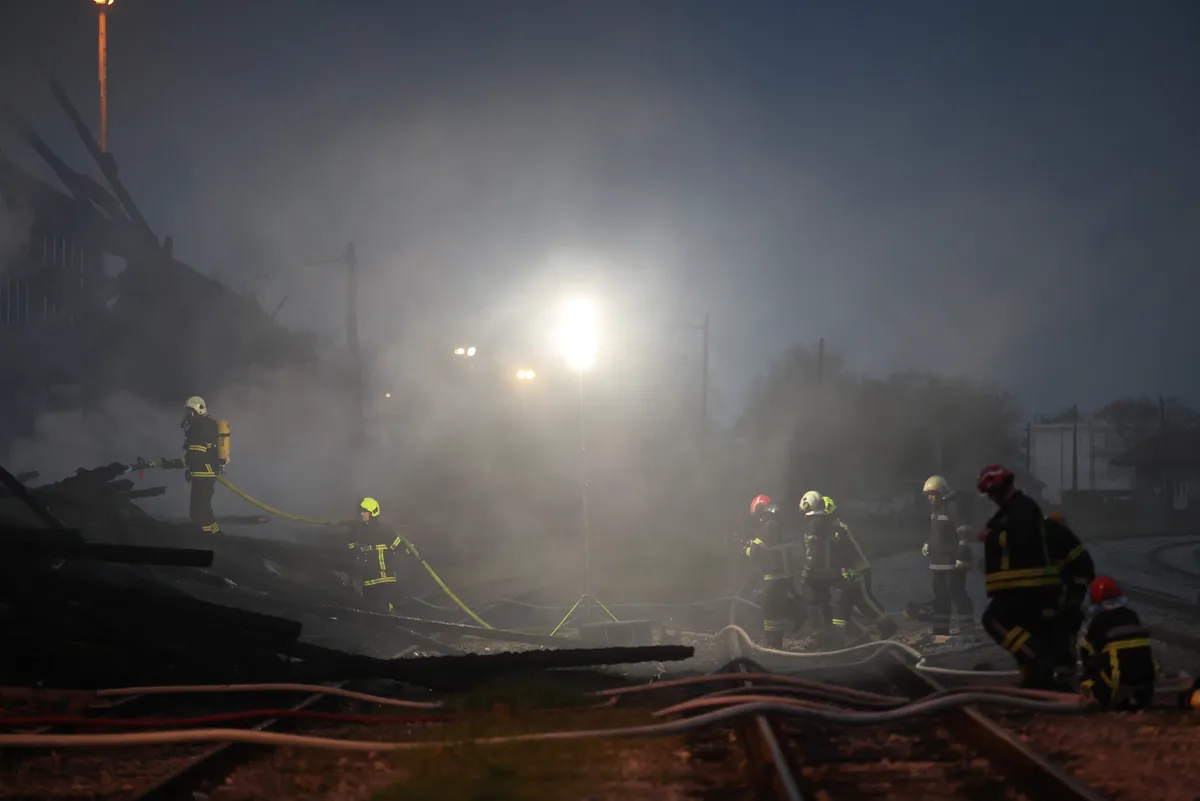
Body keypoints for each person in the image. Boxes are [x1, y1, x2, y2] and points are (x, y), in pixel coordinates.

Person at [976, 464, 1061, 689]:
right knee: (1023, 629)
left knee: (994, 620)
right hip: (1021, 585)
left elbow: (1018, 538)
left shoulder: (1023, 509)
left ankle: (1038, 663)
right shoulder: (1011, 510)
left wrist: (990, 537)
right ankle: (1034, 675)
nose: (992, 498)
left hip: (1028, 585)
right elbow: (997, 528)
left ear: (1002, 487)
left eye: (992, 493)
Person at [824, 495, 899, 640]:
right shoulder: (831, 530)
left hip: (858, 571)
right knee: (842, 604)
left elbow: (851, 551)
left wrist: (850, 570)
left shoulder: (840, 529)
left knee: (865, 603)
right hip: (847, 573)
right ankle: (845, 637)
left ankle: (889, 627)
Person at [1081, 576, 1157, 710]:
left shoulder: (1098, 621)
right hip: (1147, 676)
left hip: (1118, 678)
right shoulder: (1132, 615)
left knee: (1090, 668)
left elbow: (1087, 651)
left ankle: (1098, 696)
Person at [742, 494, 807, 648]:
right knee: (775, 607)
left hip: (774, 576)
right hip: (782, 575)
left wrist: (743, 549)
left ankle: (774, 643)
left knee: (771, 611)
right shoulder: (777, 524)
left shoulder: (768, 525)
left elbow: (755, 550)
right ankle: (777, 638)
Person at [1044, 511, 1095, 688]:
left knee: (1054, 626)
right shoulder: (1067, 538)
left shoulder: (1048, 537)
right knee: (1067, 627)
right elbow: (1086, 567)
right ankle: (1064, 668)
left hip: (1057, 591)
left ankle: (1054, 667)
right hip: (1067, 591)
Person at [921, 475, 975, 640]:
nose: (930, 498)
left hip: (953, 564)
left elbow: (964, 532)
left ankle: (968, 629)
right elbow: (936, 532)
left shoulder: (953, 507)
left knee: (957, 594)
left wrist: (961, 555)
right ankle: (940, 631)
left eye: (932, 494)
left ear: (942, 493)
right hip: (937, 564)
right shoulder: (935, 510)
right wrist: (928, 544)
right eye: (928, 495)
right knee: (940, 598)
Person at [799, 490, 848, 648]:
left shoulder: (813, 523)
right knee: (825, 603)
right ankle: (831, 637)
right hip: (829, 571)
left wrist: (807, 570)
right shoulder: (827, 521)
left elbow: (812, 549)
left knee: (812, 603)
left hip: (816, 572)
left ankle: (819, 637)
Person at [347, 497, 405, 613]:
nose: (361, 514)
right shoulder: (357, 532)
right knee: (371, 612)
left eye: (364, 511)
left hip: (385, 582)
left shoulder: (385, 531)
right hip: (368, 583)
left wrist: (415, 550)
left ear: (372, 512)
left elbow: (402, 548)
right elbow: (352, 554)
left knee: (385, 611)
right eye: (360, 512)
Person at [181, 396, 224, 535]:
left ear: (199, 410)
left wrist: (179, 463)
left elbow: (194, 455)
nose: (188, 416)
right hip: (202, 475)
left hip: (203, 475)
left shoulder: (200, 428)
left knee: (199, 511)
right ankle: (215, 535)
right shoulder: (205, 426)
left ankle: (211, 537)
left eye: (190, 412)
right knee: (203, 510)